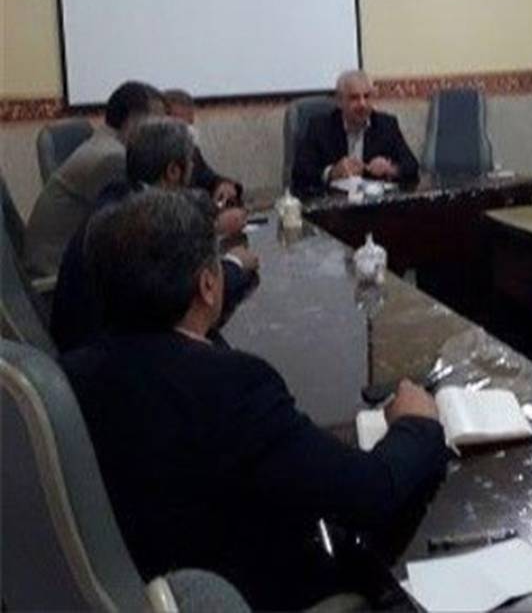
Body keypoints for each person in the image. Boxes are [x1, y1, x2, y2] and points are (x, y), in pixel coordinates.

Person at [61, 189, 448, 608]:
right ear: (208, 285)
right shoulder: (231, 386)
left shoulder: (70, 376)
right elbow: (371, 495)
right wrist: (416, 423)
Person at [51, 118, 258, 352]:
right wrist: (235, 263)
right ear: (173, 171)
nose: (194, 173)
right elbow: (189, 298)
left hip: (89, 347)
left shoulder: (121, 198)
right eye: (191, 164)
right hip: (104, 353)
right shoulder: (142, 227)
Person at [24, 81, 164, 275]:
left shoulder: (104, 144)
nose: (161, 132)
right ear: (133, 120)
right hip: (54, 270)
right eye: (157, 123)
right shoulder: (112, 158)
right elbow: (131, 228)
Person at [291, 70, 419, 195]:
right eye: (354, 98)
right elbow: (299, 173)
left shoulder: (386, 125)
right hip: (334, 204)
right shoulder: (320, 127)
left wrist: (390, 169)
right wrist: (332, 173)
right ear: (339, 101)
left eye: (367, 97)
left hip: (375, 203)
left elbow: (412, 166)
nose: (362, 104)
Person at [162, 88, 242, 207]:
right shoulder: (152, 157)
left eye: (190, 124)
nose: (188, 131)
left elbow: (208, 177)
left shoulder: (192, 151)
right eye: (180, 125)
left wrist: (222, 185)